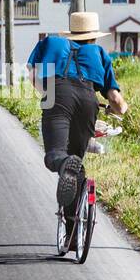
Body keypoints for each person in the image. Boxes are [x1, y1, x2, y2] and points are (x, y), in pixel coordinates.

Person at [27, 12, 129, 240]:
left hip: (57, 95)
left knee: (55, 156)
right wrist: (120, 109)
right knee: (76, 163)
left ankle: (65, 162)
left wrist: (47, 94)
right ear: (94, 37)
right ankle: (74, 238)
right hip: (88, 100)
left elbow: (32, 74)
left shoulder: (50, 43)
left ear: (71, 32)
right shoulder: (99, 53)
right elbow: (115, 98)